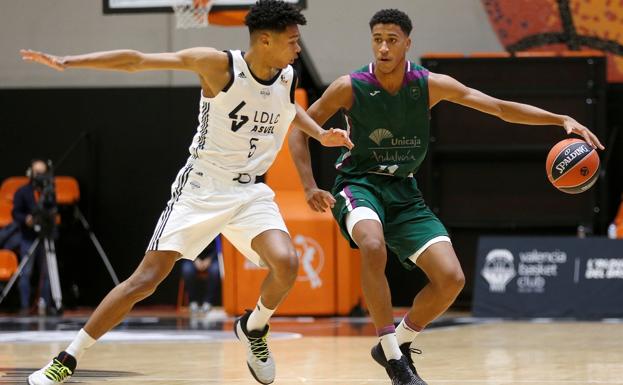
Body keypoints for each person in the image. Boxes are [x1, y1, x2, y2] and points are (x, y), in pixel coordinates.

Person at [20, 1, 352, 384]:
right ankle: (66, 359)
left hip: (249, 193)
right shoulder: (217, 66)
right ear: (265, 40)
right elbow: (137, 60)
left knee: (288, 263)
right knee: (144, 282)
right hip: (202, 189)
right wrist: (69, 62)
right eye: (292, 41)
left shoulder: (286, 75)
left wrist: (320, 134)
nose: (297, 48)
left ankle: (254, 327)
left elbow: (289, 108)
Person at [288, 9, 604, 385]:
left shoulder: (429, 85)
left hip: (404, 191)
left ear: (408, 42)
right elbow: (299, 128)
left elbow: (500, 109)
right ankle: (393, 357)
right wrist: (308, 185)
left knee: (451, 279)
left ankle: (400, 341)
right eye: (377, 39)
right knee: (372, 245)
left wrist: (559, 119)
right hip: (359, 184)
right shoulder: (349, 86)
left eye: (392, 39)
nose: (384, 47)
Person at [12, 159, 56, 316]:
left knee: (48, 271)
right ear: (31, 173)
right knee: (26, 271)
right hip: (28, 236)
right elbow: (15, 213)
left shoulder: (49, 192)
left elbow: (53, 210)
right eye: (37, 173)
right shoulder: (22, 191)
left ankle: (48, 305)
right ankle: (25, 306)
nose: (40, 176)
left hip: (46, 235)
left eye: (42, 173)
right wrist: (27, 220)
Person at [181, 239, 220, 315]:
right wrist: (195, 259)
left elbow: (218, 247)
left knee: (216, 270)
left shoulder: (215, 228)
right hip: (192, 258)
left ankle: (208, 302)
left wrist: (210, 259)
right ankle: (193, 301)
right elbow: (186, 246)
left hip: (211, 258)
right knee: (187, 270)